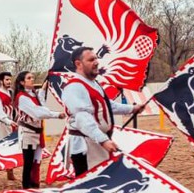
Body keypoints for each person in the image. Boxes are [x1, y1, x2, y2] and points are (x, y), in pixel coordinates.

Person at [61, 47, 144, 176]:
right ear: (78, 64)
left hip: (95, 142)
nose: (96, 62)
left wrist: (132, 109)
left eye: (96, 58)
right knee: (90, 187)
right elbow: (82, 117)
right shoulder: (74, 87)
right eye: (91, 59)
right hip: (86, 146)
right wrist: (103, 140)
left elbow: (107, 105)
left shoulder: (92, 83)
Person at [13, 71, 66, 189]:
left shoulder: (33, 94)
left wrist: (43, 89)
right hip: (28, 132)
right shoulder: (21, 97)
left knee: (36, 161)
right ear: (22, 82)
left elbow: (41, 104)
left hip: (36, 131)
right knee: (28, 162)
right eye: (29, 78)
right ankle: (26, 187)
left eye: (32, 77)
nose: (32, 79)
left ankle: (34, 185)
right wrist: (56, 115)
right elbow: (37, 112)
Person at [0, 71, 18, 183]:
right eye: (6, 80)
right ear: (1, 81)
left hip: (11, 124)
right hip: (1, 125)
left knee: (11, 149)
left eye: (10, 80)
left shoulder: (11, 93)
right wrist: (8, 121)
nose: (9, 82)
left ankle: (10, 173)